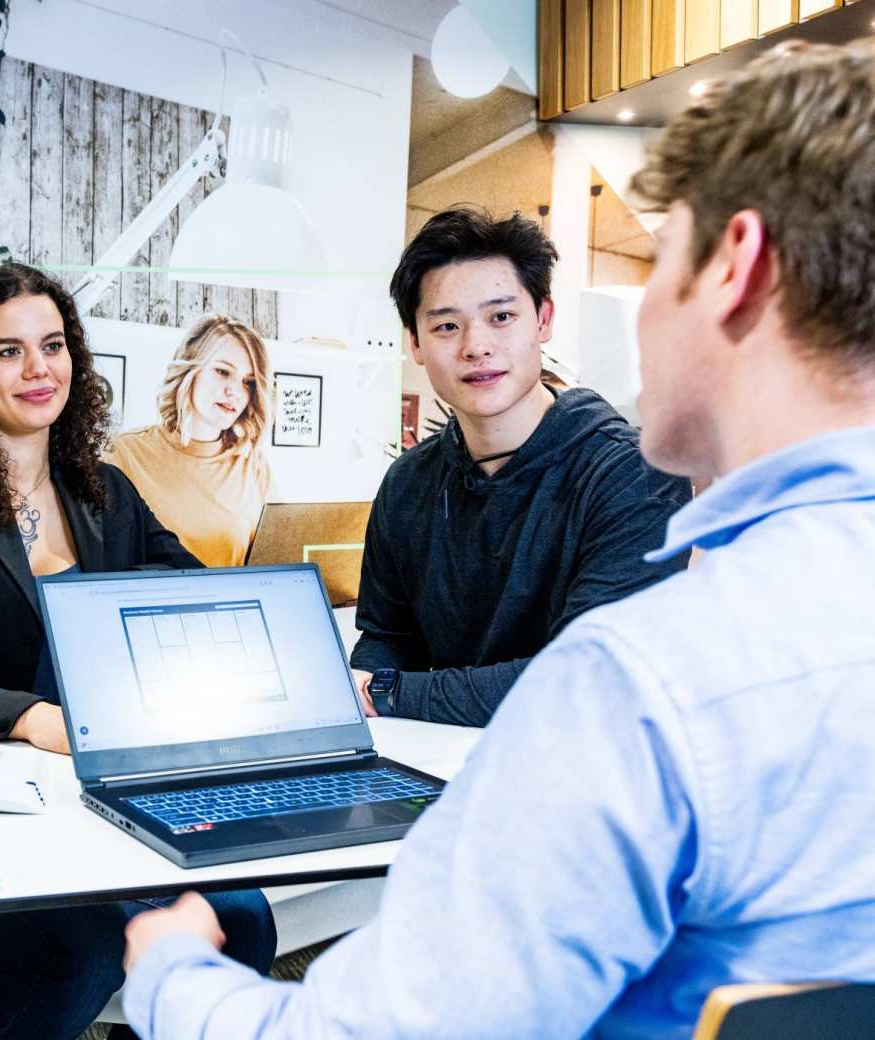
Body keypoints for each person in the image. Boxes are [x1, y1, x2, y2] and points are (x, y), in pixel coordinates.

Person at [119, 38, 875, 1038]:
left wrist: (171, 971)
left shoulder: (641, 686)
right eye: (445, 325)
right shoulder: (420, 493)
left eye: (660, 258)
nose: (476, 346)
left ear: (731, 264)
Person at [0, 264, 276, 1040]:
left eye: (52, 345)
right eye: (8, 351)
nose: (39, 367)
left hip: (84, 800)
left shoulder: (104, 492)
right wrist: (32, 719)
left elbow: (185, 596)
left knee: (242, 919)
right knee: (75, 950)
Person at [349, 207, 692, 726]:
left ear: (544, 320)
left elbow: (586, 682)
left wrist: (392, 693)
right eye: (446, 325)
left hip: (586, 779)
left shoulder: (633, 475)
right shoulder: (408, 482)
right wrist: (369, 688)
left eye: (502, 317)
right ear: (415, 344)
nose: (476, 346)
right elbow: (386, 641)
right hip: (435, 767)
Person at [104, 315, 272, 567]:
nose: (234, 391)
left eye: (248, 383)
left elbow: (271, 567)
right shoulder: (123, 454)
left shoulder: (253, 467)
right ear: (190, 368)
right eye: (223, 371)